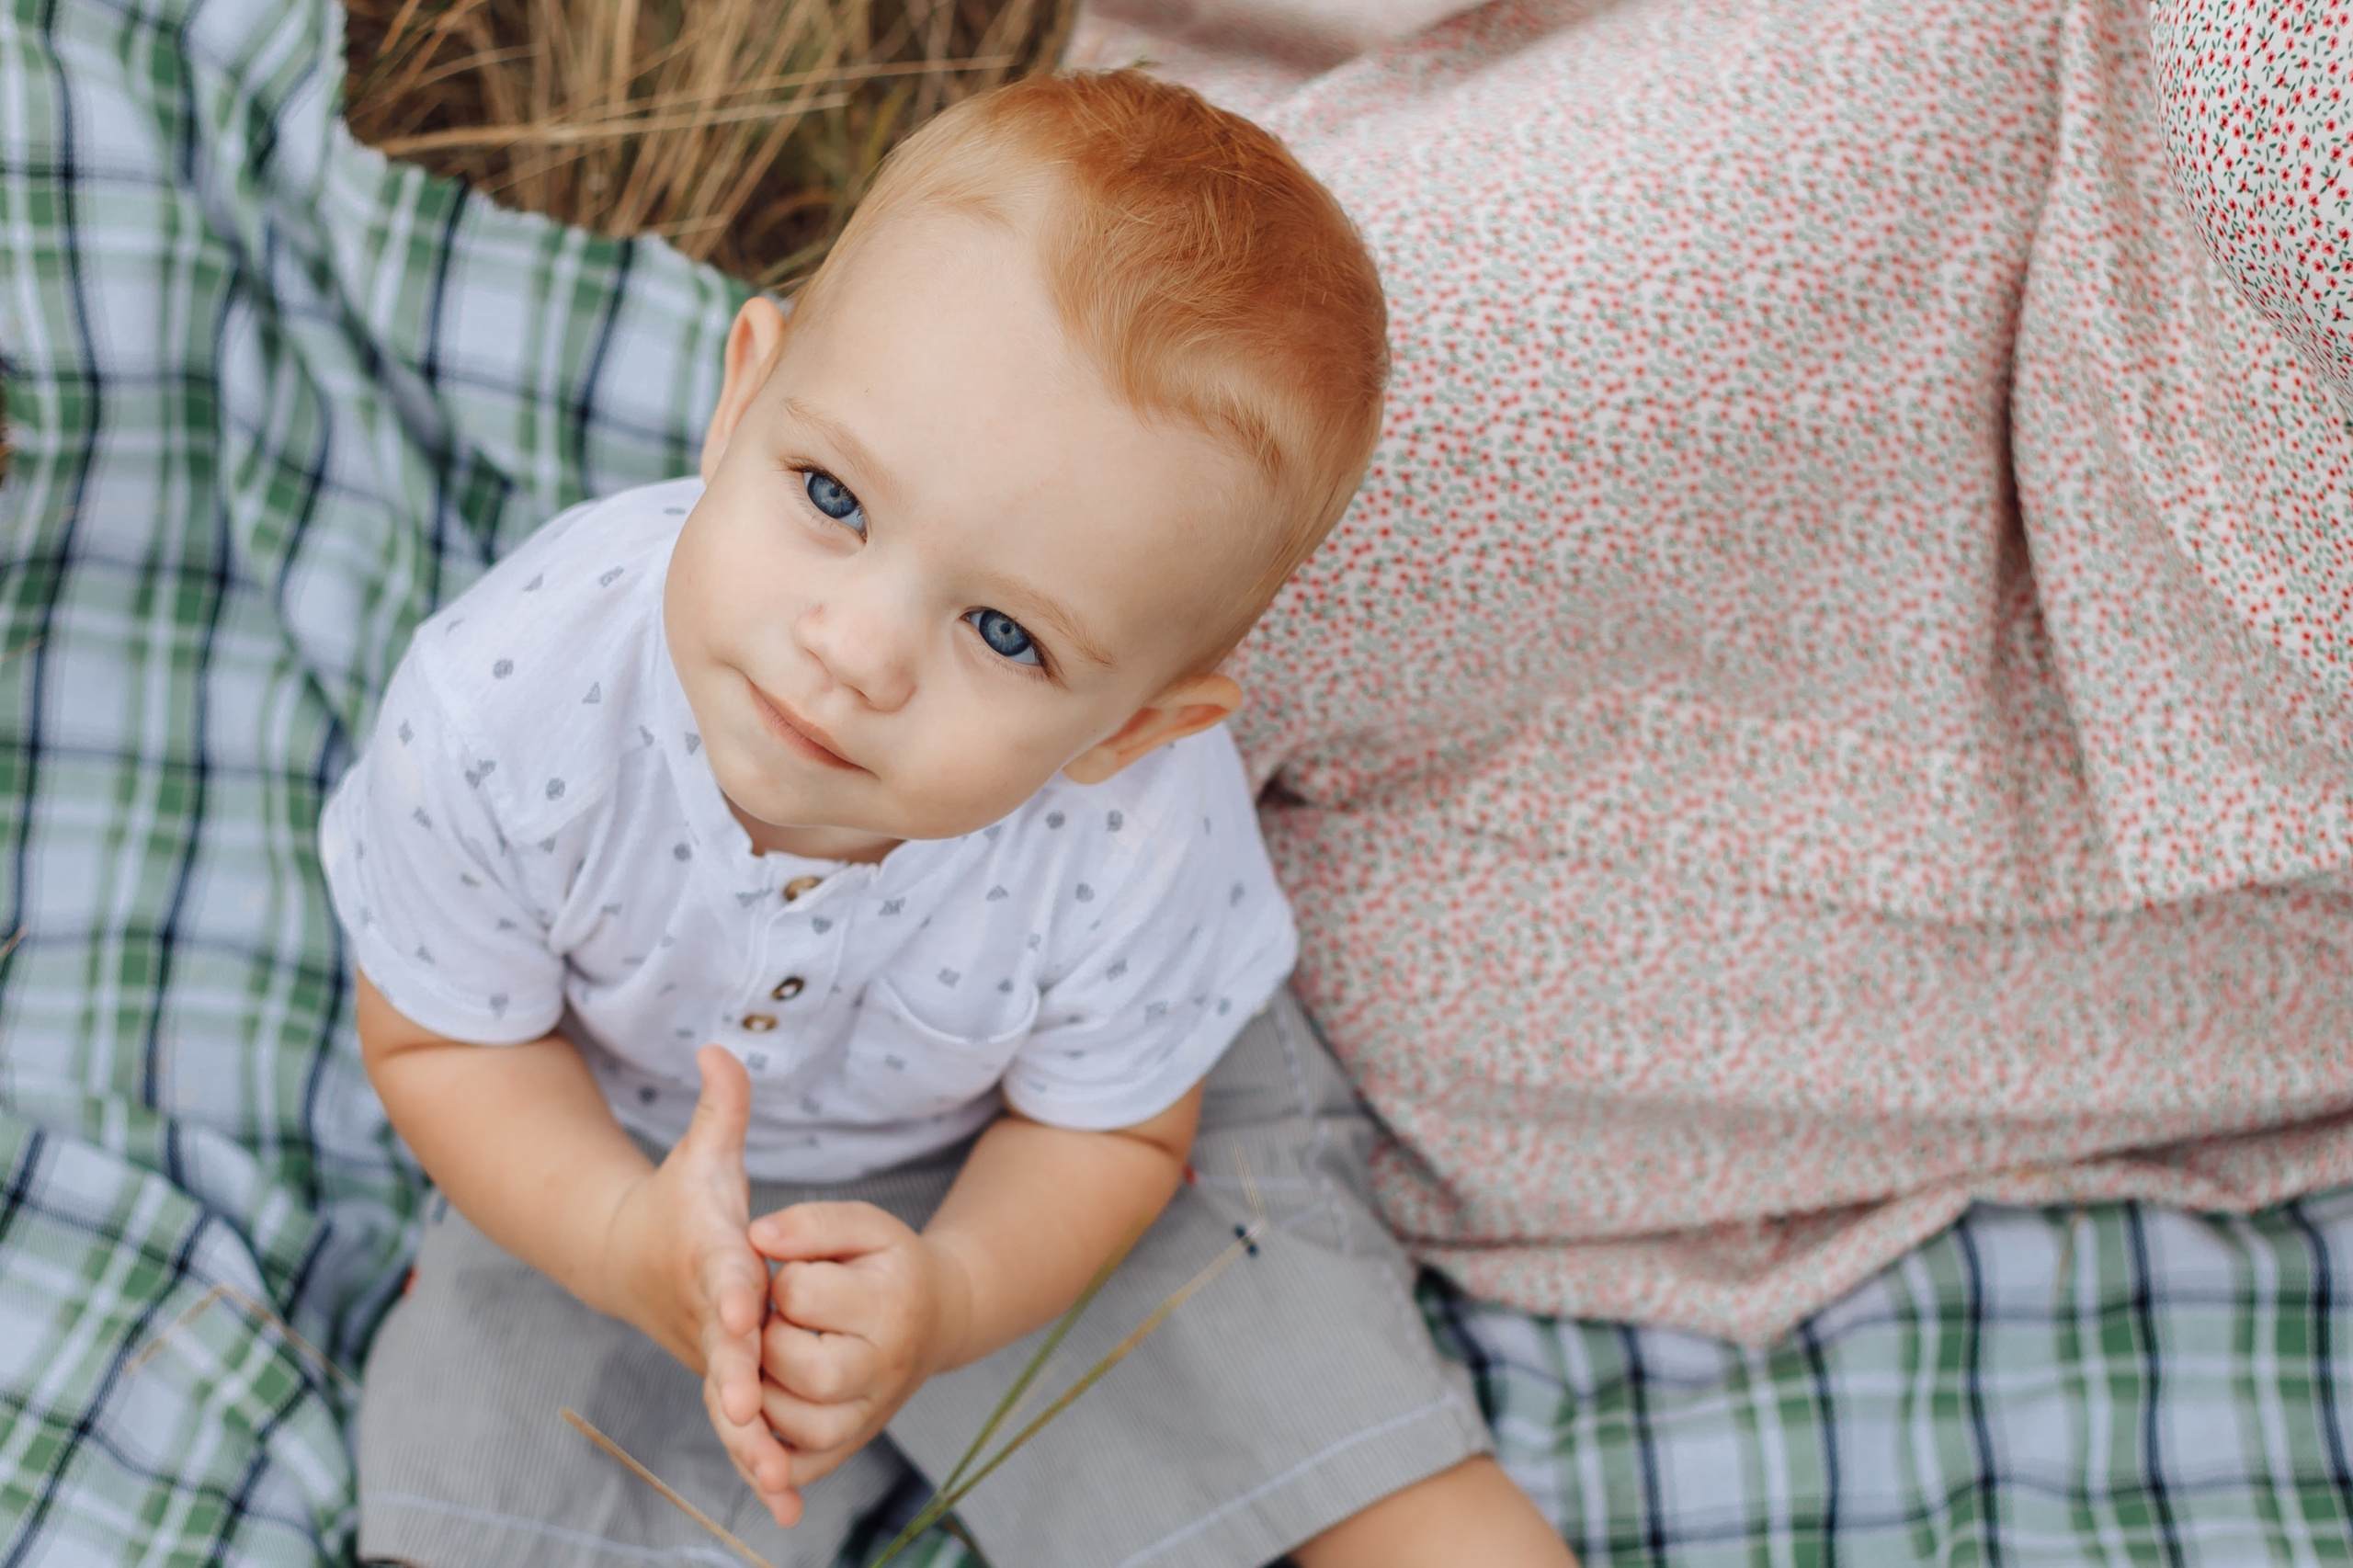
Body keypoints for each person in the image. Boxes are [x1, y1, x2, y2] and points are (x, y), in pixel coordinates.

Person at [320, 69, 1575, 1568]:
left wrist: (957, 1293)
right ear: (742, 399)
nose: (855, 650)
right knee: (497, 1482)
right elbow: (445, 1038)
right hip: (616, 1142)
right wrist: (617, 1239)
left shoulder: (1134, 833)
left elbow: (1109, 1132)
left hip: (1038, 1157)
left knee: (1327, 1426)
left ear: (1132, 727)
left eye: (1003, 634)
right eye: (835, 497)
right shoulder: (506, 705)